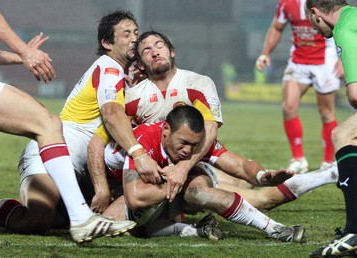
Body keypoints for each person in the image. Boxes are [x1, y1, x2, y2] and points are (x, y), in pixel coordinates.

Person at [90, 30, 340, 216]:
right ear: (141, 64)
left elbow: (210, 131)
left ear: (172, 51)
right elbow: (103, 139)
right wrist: (104, 187)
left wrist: (183, 168)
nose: (155, 51)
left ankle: (326, 173)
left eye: (160, 45)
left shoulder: (199, 83)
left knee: (259, 196)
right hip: (158, 174)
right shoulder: (132, 97)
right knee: (116, 218)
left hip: (192, 164)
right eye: (146, 50)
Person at [0, 3, 142, 244]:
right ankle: (81, 218)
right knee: (47, 124)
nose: (134, 40)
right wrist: (24, 51)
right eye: (126, 34)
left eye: (136, 34)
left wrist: (19, 56)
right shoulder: (110, 69)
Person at [102, 105, 305, 242]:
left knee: (199, 191)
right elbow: (135, 197)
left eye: (194, 145)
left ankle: (274, 228)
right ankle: (194, 229)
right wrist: (170, 179)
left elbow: (241, 165)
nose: (188, 151)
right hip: (126, 191)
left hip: (179, 187)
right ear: (166, 129)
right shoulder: (144, 139)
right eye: (183, 143)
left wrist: (262, 176)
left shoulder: (195, 142)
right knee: (112, 223)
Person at [255, 0, 343, 173]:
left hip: (325, 62)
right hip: (298, 62)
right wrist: (265, 53)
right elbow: (276, 28)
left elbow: (342, 28)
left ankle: (327, 162)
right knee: (288, 107)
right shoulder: (286, 3)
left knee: (326, 112)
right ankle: (298, 159)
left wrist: (342, 58)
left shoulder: (326, 2)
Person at [305, 1, 357, 257]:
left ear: (316, 13)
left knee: (343, 134)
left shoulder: (345, 29)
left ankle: (354, 233)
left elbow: (356, 96)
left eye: (311, 22)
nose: (315, 30)